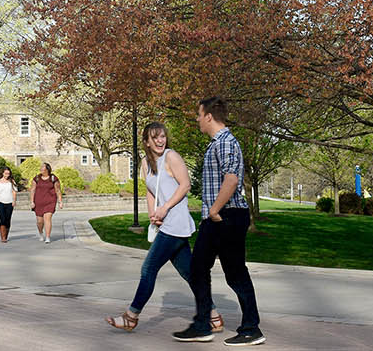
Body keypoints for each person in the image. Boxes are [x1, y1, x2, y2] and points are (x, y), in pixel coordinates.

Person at [105, 122, 224, 333]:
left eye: (162, 136)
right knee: (190, 273)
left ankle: (131, 316)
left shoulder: (172, 157)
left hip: (176, 222)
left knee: (148, 269)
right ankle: (213, 316)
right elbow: (151, 190)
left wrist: (166, 208)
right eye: (155, 137)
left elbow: (185, 185)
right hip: (165, 222)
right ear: (147, 142)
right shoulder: (145, 162)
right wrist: (153, 214)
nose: (160, 141)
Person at [172, 98, 264, 345]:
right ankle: (202, 325)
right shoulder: (217, 144)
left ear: (209, 116)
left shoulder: (226, 143)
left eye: (199, 115)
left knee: (235, 274)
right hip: (216, 218)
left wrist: (214, 210)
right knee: (198, 269)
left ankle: (251, 328)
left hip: (227, 216)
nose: (197, 119)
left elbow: (231, 179)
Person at [30, 163, 62, 243]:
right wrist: (32, 201)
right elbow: (32, 190)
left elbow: (58, 190)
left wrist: (60, 201)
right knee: (40, 221)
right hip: (38, 202)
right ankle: (41, 233)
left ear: (47, 169)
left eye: (42, 168)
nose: (40, 169)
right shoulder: (37, 178)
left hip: (50, 202)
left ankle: (47, 237)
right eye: (40, 168)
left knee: (47, 219)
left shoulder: (53, 178)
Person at [0, 167, 16, 243]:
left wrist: (14, 201)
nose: (7, 175)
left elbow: (14, 192)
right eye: (5, 173)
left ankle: (6, 235)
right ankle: (3, 237)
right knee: (3, 219)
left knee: (8, 220)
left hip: (9, 202)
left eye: (8, 173)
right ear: (2, 173)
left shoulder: (12, 182)